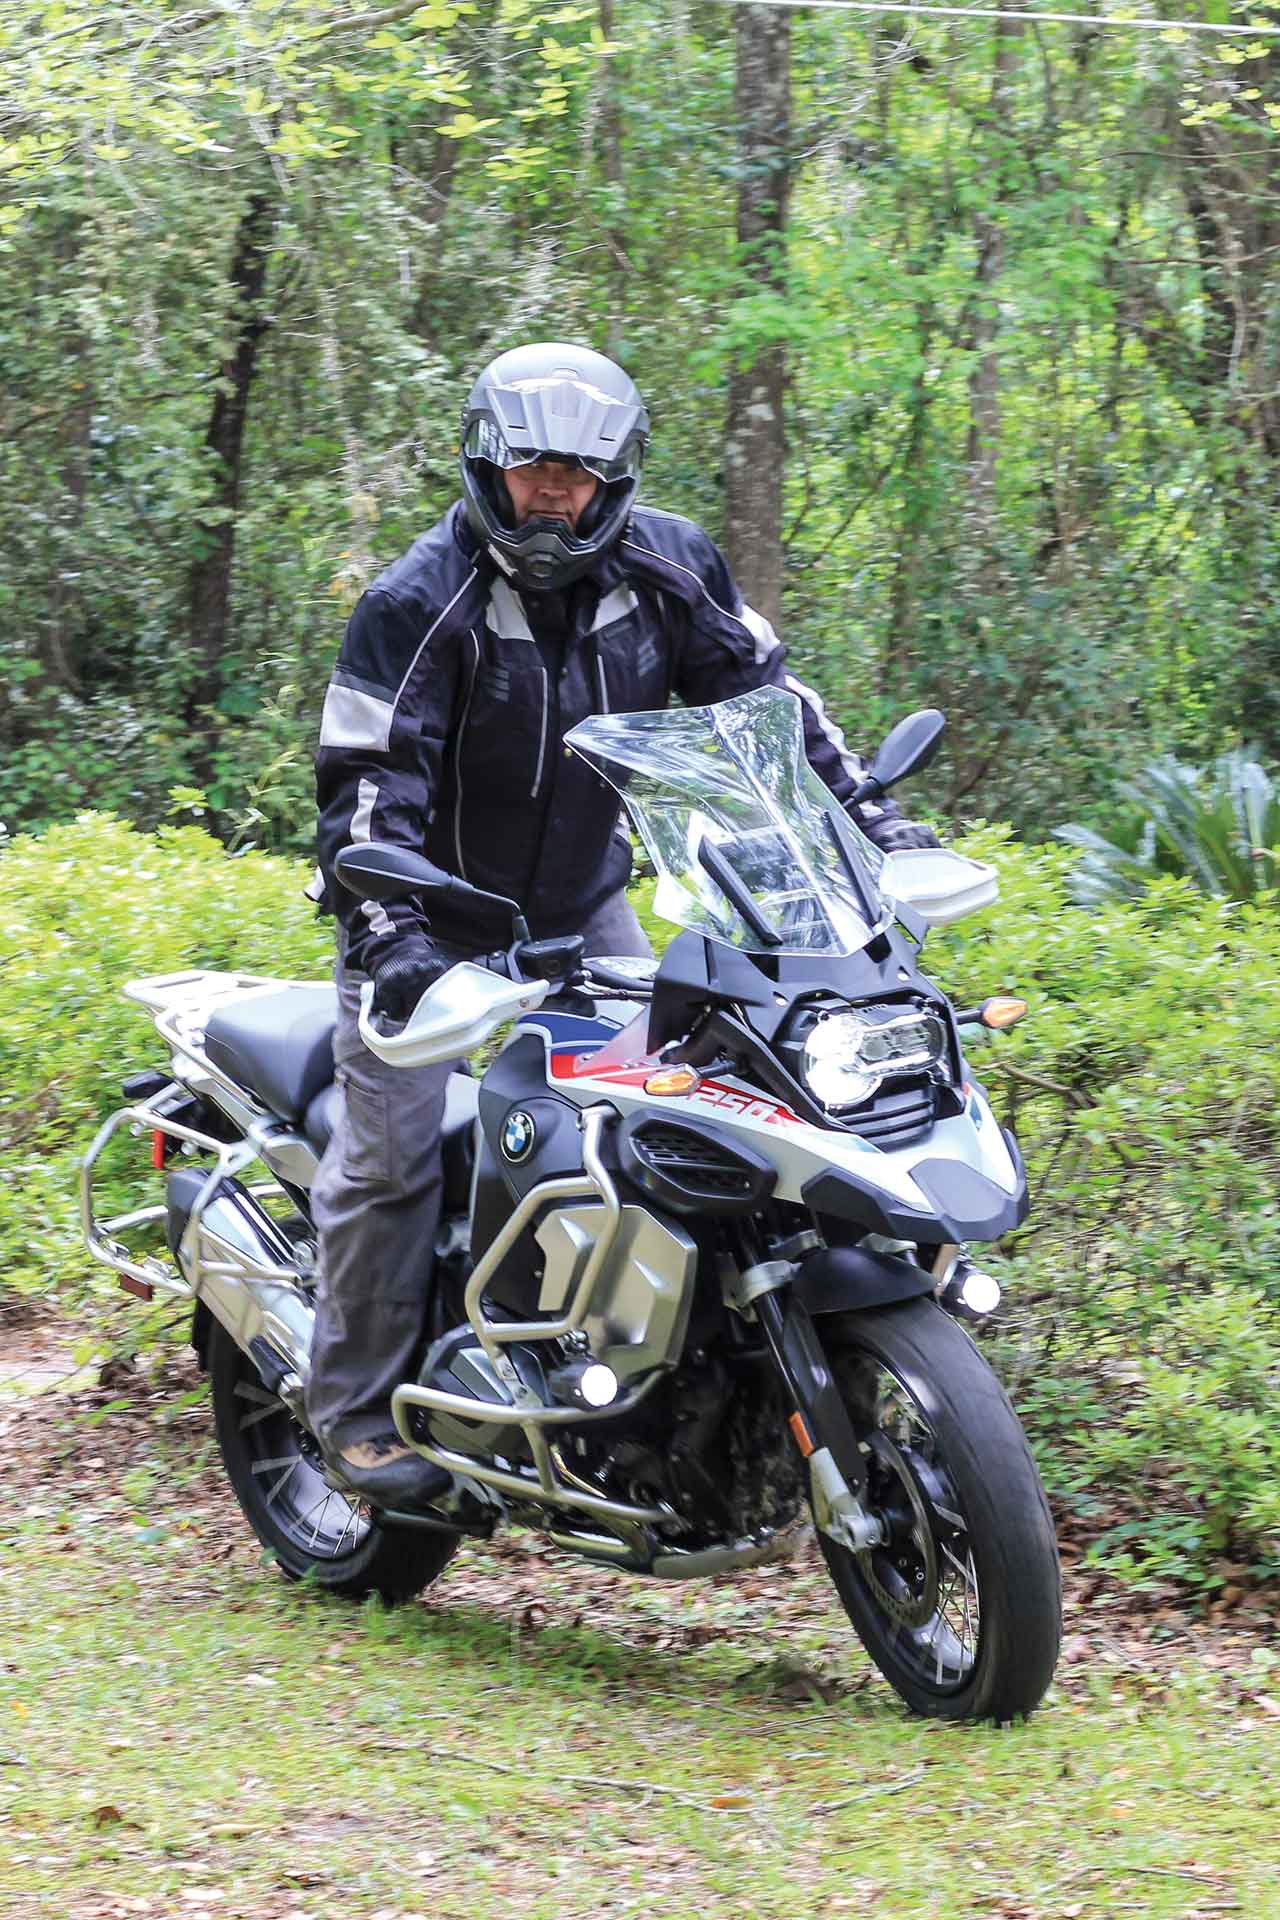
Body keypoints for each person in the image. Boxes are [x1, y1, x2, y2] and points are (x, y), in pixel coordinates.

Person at [306, 341, 938, 1507]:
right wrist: (393, 945)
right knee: (389, 1156)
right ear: (488, 468)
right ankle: (350, 1413)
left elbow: (769, 707)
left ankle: (617, 1375)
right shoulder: (413, 603)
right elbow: (359, 792)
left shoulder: (667, 567)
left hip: (583, 907)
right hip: (424, 921)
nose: (554, 492)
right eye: (533, 467)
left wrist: (877, 831)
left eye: (577, 474)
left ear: (614, 480)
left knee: (674, 1123)